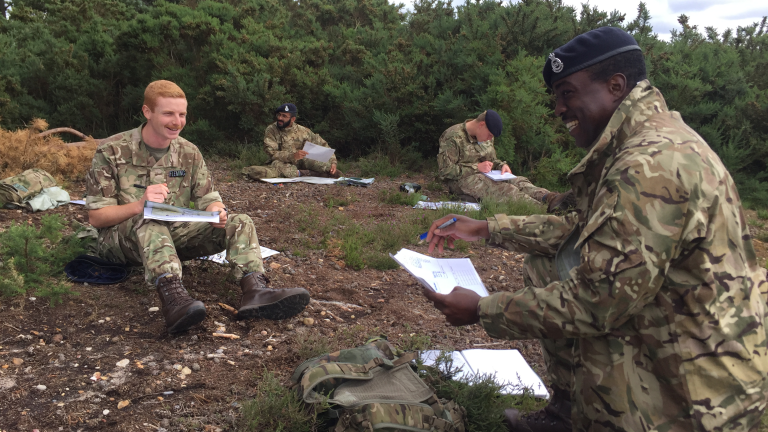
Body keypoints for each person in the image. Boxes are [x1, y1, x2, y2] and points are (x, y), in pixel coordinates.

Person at [421, 27, 768, 432]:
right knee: (548, 264)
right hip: (691, 337)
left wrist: (483, 309)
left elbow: (598, 300)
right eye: (556, 97)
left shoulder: (648, 164)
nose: (558, 108)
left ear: (615, 86)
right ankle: (569, 412)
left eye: (567, 93)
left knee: (586, 308)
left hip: (705, 398)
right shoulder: (643, 142)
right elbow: (578, 229)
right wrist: (485, 228)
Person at [85, 80, 310, 333]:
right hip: (122, 241)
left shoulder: (188, 152)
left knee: (240, 221)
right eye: (168, 113)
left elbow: (207, 196)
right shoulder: (112, 150)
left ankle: (255, 291)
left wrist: (216, 210)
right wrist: (139, 205)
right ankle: (174, 299)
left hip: (171, 236)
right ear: (147, 112)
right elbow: (97, 217)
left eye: (182, 114)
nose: (177, 121)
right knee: (150, 218)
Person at [437, 110, 574, 211]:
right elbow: (445, 171)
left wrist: (502, 165)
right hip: (461, 180)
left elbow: (492, 160)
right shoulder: (453, 137)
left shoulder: (484, 136)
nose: (490, 139)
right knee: (506, 189)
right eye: (489, 135)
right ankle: (544, 211)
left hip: (486, 174)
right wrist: (477, 167)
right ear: (481, 125)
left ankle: (551, 199)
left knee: (518, 181)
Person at [242, 103, 341, 179]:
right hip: (282, 163)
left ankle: (325, 172)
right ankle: (306, 173)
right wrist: (292, 156)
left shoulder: (303, 131)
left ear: (293, 119)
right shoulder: (272, 129)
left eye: (284, 116)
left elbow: (323, 145)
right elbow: (272, 153)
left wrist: (333, 162)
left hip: (302, 162)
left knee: (327, 167)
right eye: (279, 115)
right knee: (277, 168)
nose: (280, 118)